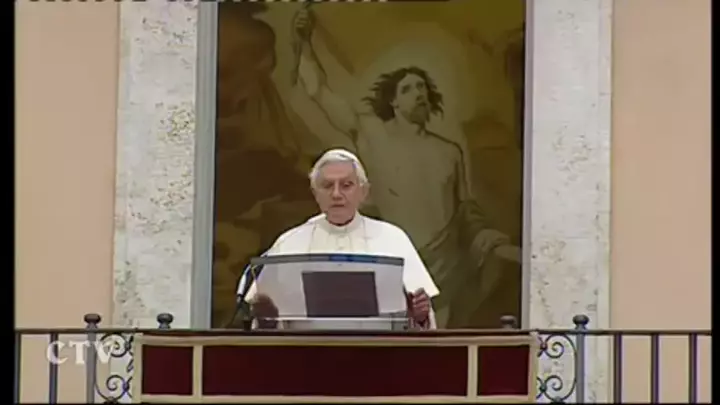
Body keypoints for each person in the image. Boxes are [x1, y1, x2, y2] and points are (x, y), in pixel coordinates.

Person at [289, 7, 521, 328]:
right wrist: (303, 43)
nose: (419, 93)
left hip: (447, 267)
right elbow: (317, 89)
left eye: (422, 87)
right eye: (408, 88)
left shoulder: (449, 152)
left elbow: (466, 212)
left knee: (434, 338)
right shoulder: (372, 134)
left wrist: (493, 242)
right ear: (393, 101)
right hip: (389, 264)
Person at [237, 148, 440, 329]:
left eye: (346, 185)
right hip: (307, 353)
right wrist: (267, 318)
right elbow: (266, 321)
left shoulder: (393, 238)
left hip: (378, 353)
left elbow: (420, 319)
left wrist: (419, 316)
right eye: (327, 185)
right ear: (315, 193)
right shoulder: (289, 242)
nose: (336, 194)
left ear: (363, 192)